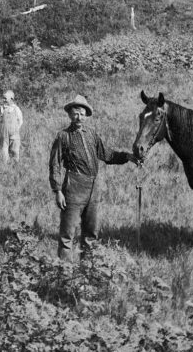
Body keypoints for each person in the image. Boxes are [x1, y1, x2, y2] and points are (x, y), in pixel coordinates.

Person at [49, 94, 138, 261]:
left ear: (86, 115)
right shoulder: (63, 136)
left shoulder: (92, 134)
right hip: (73, 188)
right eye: (75, 113)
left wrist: (127, 157)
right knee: (67, 233)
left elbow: (107, 155)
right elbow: (55, 164)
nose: (79, 117)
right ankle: (64, 275)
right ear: (69, 114)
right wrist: (58, 190)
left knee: (91, 232)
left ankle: (88, 271)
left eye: (82, 113)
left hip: (94, 188)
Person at [0, 89, 24, 162]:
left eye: (5, 98)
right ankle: (5, 166)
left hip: (14, 133)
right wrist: (0, 129)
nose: (3, 99)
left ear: (11, 98)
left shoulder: (16, 109)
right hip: (4, 133)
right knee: (4, 150)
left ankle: (15, 165)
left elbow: (20, 120)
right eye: (3, 98)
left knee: (15, 150)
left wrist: (17, 129)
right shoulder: (2, 108)